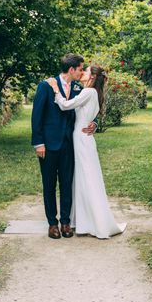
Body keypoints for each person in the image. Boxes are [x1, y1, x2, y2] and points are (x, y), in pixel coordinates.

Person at [46, 65, 126, 239]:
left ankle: (93, 221)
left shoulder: (88, 92)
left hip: (81, 139)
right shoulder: (92, 92)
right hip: (83, 139)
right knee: (84, 178)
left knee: (86, 178)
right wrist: (94, 123)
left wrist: (55, 90)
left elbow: (66, 106)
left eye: (86, 70)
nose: (83, 72)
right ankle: (85, 219)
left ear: (92, 76)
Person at [31, 54, 97, 239]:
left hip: (70, 145)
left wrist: (95, 123)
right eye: (80, 69)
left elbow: (88, 108)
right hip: (48, 145)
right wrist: (38, 143)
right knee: (49, 185)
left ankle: (66, 222)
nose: (82, 72)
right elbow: (36, 116)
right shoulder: (46, 86)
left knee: (67, 184)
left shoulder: (79, 88)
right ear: (71, 69)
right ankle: (52, 223)